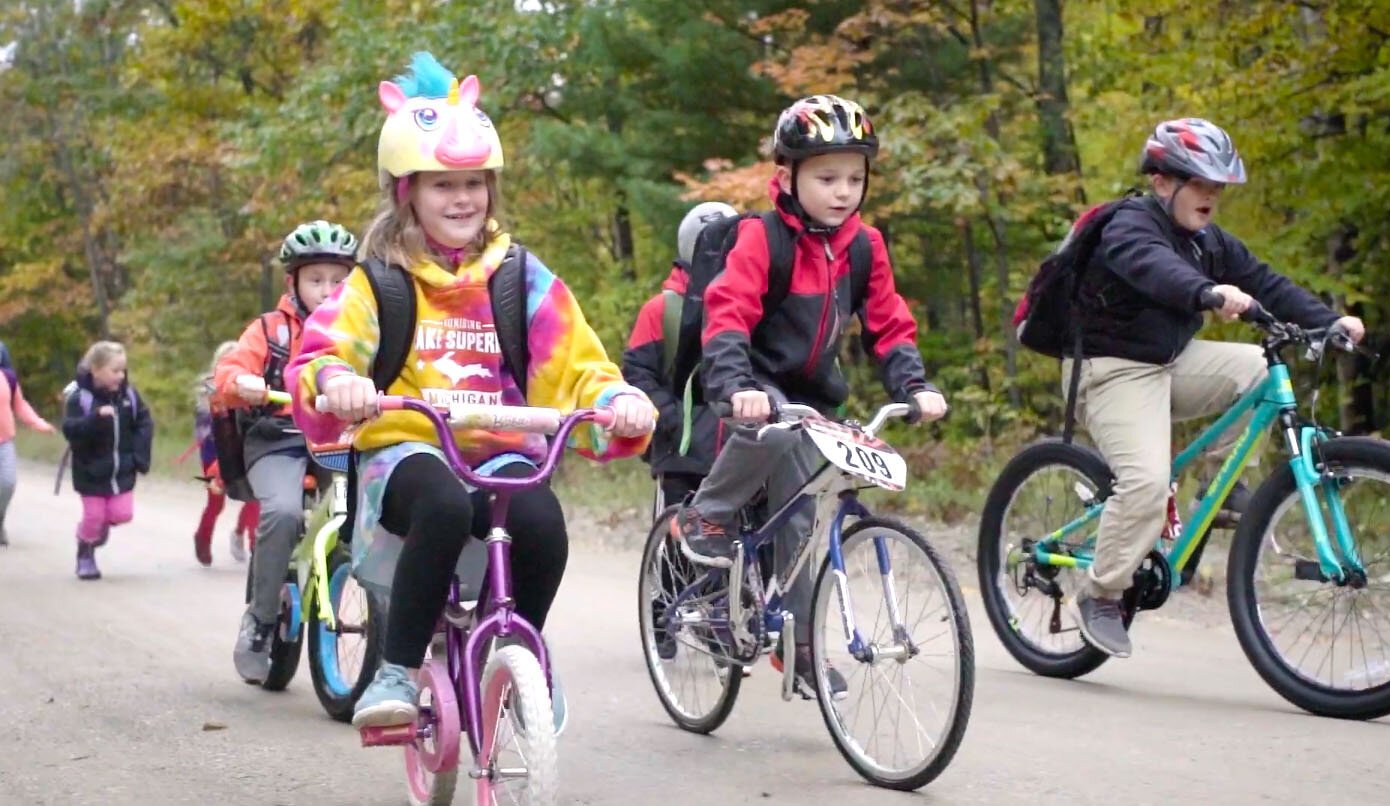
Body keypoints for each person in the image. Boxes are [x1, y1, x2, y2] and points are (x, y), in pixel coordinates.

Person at [285, 52, 654, 732]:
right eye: (442, 185)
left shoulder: (518, 277)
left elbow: (576, 359)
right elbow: (326, 350)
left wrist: (614, 400)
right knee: (444, 504)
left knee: (540, 520)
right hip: (408, 449)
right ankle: (395, 668)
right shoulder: (381, 282)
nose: (462, 199)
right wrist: (337, 382)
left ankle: (518, 647)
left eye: (475, 184)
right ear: (408, 193)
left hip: (500, 447)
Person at [668, 95, 948, 699]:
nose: (843, 191)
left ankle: (797, 650)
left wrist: (914, 386)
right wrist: (737, 386)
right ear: (787, 177)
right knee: (772, 428)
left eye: (855, 177)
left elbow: (888, 323)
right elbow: (728, 314)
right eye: (826, 177)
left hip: (815, 393)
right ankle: (706, 512)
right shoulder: (761, 239)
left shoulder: (865, 246)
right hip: (752, 379)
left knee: (805, 519)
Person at [1059, 118, 1366, 658]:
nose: (1211, 196)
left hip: (1169, 362)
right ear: (1161, 182)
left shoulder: (1209, 242)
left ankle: (1217, 489)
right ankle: (1102, 593)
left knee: (1256, 369)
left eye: (1217, 186)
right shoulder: (1128, 225)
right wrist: (1205, 292)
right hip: (1111, 372)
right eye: (1200, 183)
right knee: (1147, 485)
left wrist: (1329, 322)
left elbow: (1266, 282)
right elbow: (1151, 268)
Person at [215, 220, 356, 683]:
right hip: (279, 437)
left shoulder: (362, 329)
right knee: (282, 512)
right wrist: (243, 383)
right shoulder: (270, 330)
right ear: (292, 281)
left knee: (383, 510)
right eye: (316, 279)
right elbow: (229, 372)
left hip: (341, 438)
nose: (328, 290)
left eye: (339, 281)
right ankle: (259, 621)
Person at [622, 201, 736, 512]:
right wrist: (672, 420)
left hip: (742, 452)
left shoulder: (756, 307)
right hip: (681, 460)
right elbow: (636, 373)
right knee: (679, 551)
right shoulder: (661, 310)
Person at [60, 341, 153, 580]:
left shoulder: (129, 396)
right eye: (115, 370)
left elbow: (144, 423)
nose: (120, 376)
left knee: (122, 514)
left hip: (122, 469)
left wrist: (139, 457)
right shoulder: (80, 398)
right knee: (93, 516)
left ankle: (96, 531)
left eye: (123, 370)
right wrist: (94, 419)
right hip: (90, 471)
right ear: (95, 369)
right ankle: (85, 551)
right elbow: (70, 429)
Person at [190, 340, 259, 567]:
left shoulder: (252, 391)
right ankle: (202, 537)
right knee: (215, 502)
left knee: (255, 499)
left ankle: (253, 544)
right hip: (214, 457)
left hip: (244, 454)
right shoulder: (209, 395)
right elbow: (207, 437)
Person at [0, 347, 57, 546]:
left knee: (7, 484)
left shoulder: (7, 378)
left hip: (3, 442)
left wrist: (38, 423)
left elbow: (20, 405)